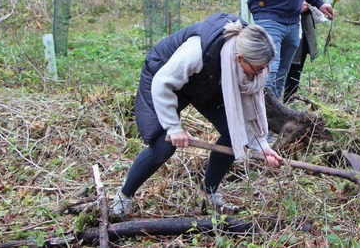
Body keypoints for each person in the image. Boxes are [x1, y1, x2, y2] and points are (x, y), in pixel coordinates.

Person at [111, 12, 283, 216]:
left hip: (205, 82)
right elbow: (162, 83)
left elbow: (248, 106)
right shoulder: (197, 53)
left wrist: (261, 145)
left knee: (234, 134)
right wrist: (174, 128)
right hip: (163, 77)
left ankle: (208, 193)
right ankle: (124, 196)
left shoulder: (240, 62)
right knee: (163, 145)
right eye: (257, 69)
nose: (260, 74)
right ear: (240, 58)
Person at [283, 1, 328, 103]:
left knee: (295, 69)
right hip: (282, 26)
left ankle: (289, 103)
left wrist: (309, 4)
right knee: (276, 69)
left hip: (303, 29)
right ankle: (270, 105)